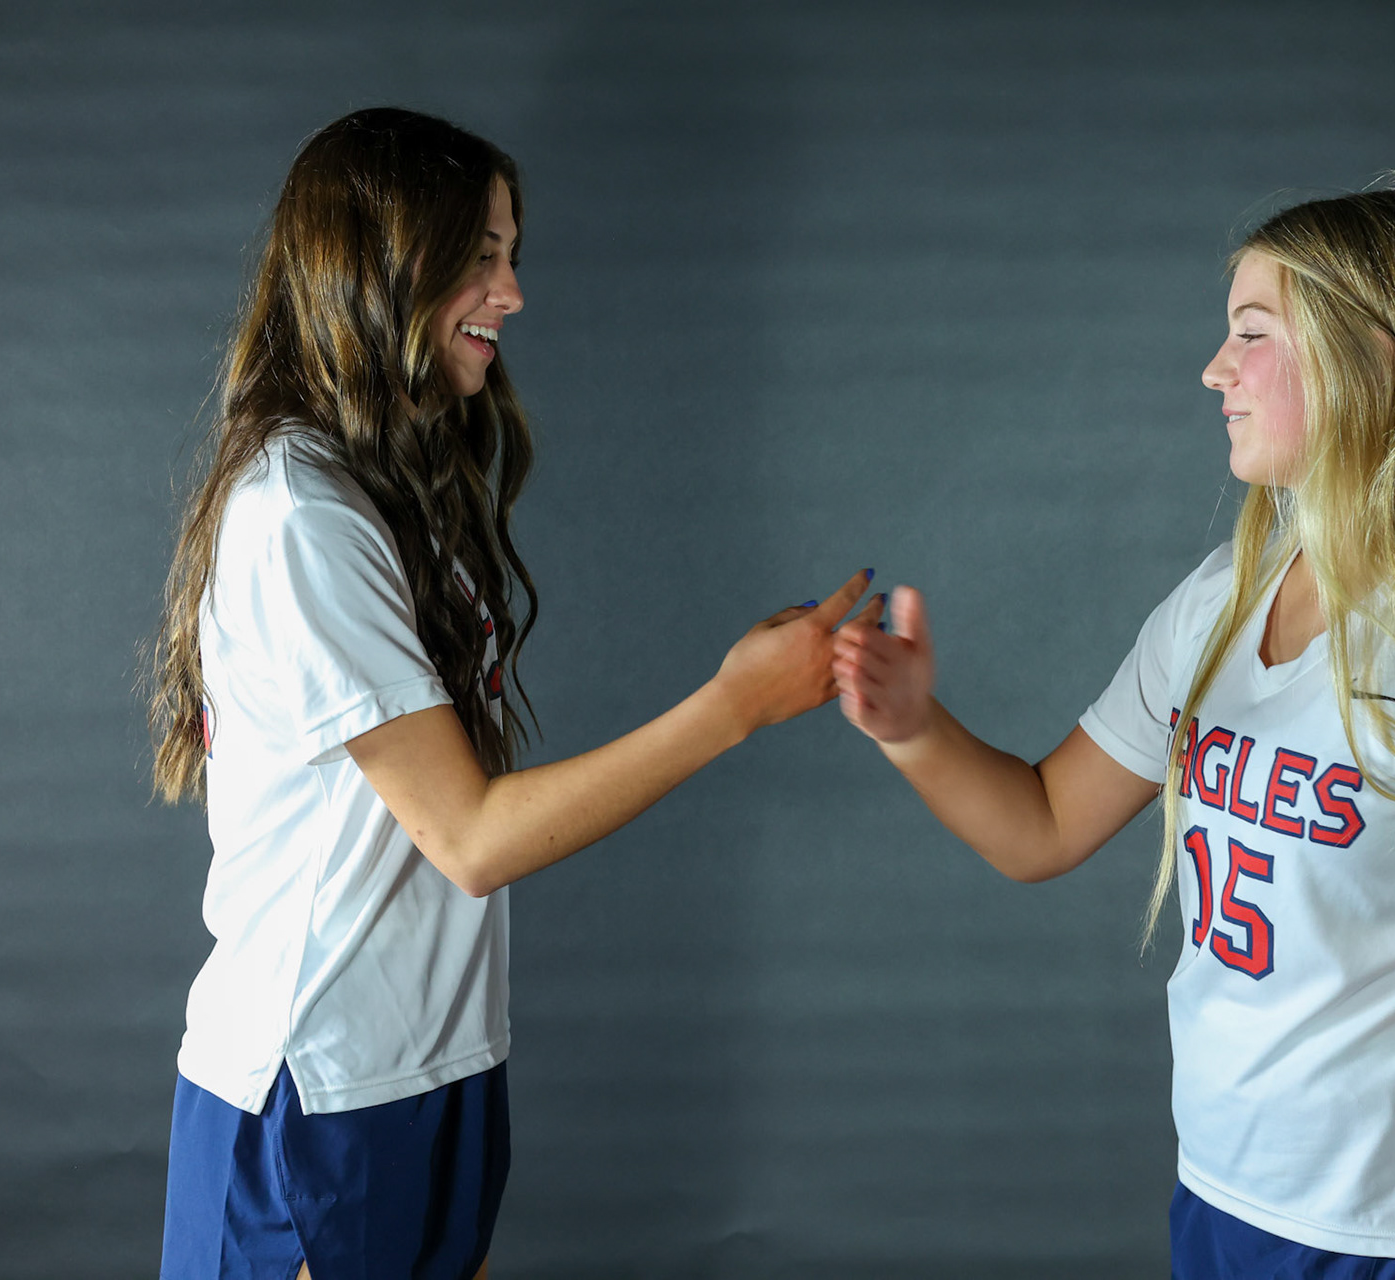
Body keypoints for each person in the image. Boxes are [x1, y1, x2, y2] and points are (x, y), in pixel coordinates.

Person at [831, 187, 1395, 1277]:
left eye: (1252, 335)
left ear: (1371, 360)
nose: (1215, 368)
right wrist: (913, 728)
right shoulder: (1219, 602)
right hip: (1224, 1197)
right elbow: (1043, 824)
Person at [146, 107, 875, 1280]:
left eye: (511, 253)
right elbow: (471, 837)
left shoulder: (383, 489)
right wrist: (731, 705)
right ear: (385, 263)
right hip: (314, 1089)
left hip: (436, 1062)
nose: (513, 292)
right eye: (481, 255)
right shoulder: (299, 513)